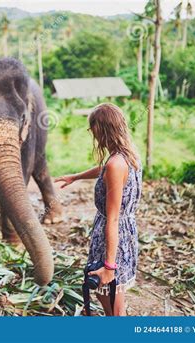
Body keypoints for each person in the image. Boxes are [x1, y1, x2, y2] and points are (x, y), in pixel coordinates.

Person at [55, 103, 142, 316]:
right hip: (126, 232)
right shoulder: (128, 154)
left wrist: (109, 266)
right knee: (113, 298)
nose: (91, 133)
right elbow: (106, 169)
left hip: (113, 237)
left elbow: (112, 220)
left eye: (91, 128)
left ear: (101, 129)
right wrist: (75, 177)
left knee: (110, 300)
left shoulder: (115, 164)